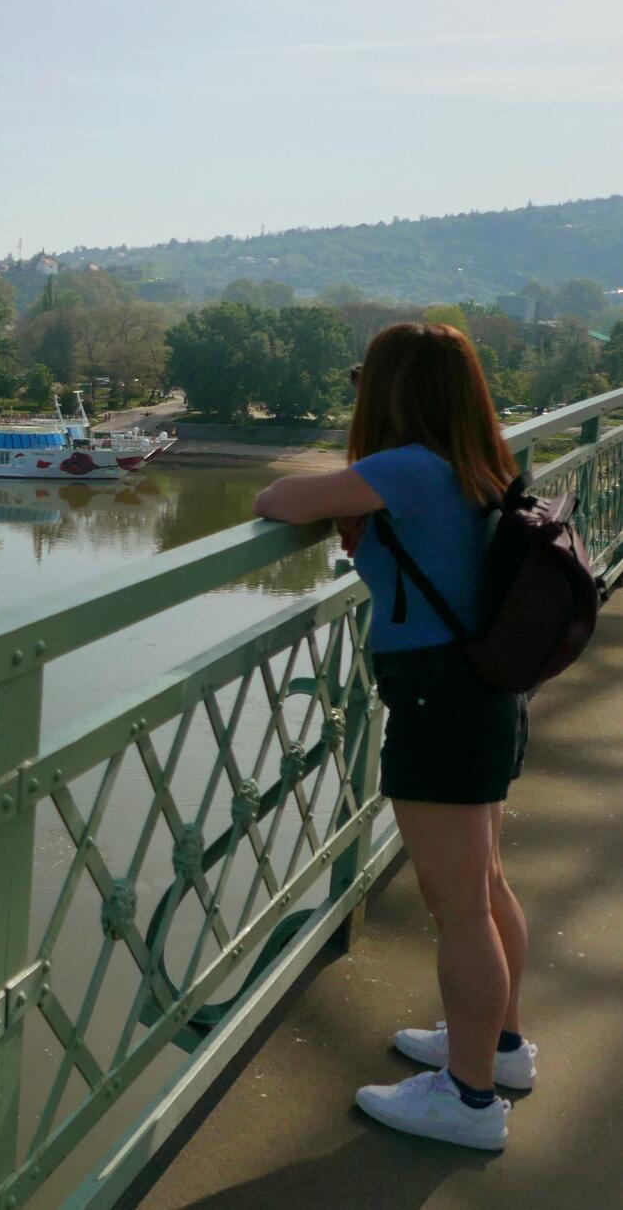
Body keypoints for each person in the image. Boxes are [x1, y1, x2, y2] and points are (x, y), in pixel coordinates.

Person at [253, 322, 534, 1152]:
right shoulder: (480, 460)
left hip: (435, 700)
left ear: (393, 391)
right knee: (483, 884)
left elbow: (279, 501)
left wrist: (333, 477)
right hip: (482, 690)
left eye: (360, 381)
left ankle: (469, 1101)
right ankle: (501, 1049)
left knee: (459, 910)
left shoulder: (408, 467)